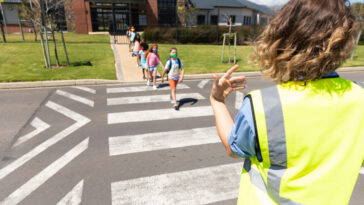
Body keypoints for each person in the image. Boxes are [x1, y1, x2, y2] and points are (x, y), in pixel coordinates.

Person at [210, 0, 364, 204]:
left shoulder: (263, 105)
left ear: (282, 38)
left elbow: (233, 148)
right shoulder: (359, 96)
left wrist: (217, 100)